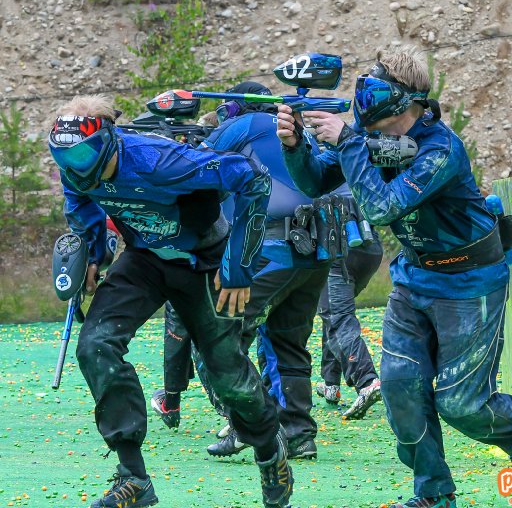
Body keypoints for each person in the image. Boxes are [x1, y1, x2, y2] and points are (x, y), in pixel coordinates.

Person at [276, 44, 512, 508]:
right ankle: (433, 495)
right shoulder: (371, 143)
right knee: (401, 388)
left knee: (462, 404)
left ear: (404, 99)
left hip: (470, 281)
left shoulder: (442, 148)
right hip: (414, 278)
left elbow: (383, 207)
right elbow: (314, 181)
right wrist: (295, 146)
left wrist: (346, 141)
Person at [48, 94, 294, 508]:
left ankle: (270, 450)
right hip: (145, 259)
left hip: (204, 262)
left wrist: (238, 265)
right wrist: (91, 254)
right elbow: (79, 202)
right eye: (65, 158)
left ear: (107, 139)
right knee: (95, 345)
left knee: (226, 379)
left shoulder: (159, 161)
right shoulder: (75, 167)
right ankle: (134, 477)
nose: (75, 166)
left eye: (84, 154)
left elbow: (253, 179)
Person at [152, 81, 344, 460]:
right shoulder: (297, 131)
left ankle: (247, 425)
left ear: (233, 109)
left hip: (270, 251)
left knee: (222, 336)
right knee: (288, 342)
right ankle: (299, 434)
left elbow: (193, 174)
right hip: (316, 251)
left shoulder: (242, 126)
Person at [316, 227, 383, 419]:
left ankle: (367, 381)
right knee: (331, 311)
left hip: (339, 251)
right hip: (370, 249)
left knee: (338, 317)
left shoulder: (314, 194)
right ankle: (331, 383)